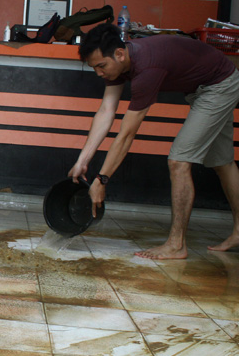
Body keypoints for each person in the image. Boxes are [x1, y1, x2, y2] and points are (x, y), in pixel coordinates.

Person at [68, 23, 239, 259]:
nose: (99, 73)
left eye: (101, 66)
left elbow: (127, 134)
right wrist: (82, 161)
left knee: (179, 161)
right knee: (223, 163)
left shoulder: (147, 68)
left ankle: (177, 244)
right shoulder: (118, 66)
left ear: (119, 54)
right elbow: (106, 111)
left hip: (218, 86)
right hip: (208, 85)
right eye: (94, 68)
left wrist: (102, 180)